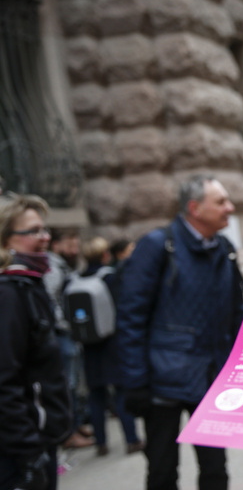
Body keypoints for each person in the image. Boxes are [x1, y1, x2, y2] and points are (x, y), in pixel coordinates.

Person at [116, 175, 243, 490]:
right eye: (221, 202)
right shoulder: (158, 245)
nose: (230, 208)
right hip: (162, 383)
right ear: (194, 208)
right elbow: (131, 317)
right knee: (162, 470)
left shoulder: (224, 248)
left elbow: (236, 315)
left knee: (215, 470)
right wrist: (135, 383)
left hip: (210, 378)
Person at [0, 194, 72, 490]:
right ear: (5, 239)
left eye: (45, 230)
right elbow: (5, 378)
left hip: (39, 438)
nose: (44, 238)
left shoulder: (29, 283)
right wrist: (28, 451)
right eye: (33, 231)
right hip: (22, 448)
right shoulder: (9, 292)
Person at [78, 237, 144, 457]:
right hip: (112, 343)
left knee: (96, 395)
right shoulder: (109, 278)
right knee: (121, 392)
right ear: (106, 255)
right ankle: (131, 439)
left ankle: (101, 443)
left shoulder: (75, 279)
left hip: (88, 346)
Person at [42, 227, 93, 450]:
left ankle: (75, 424)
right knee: (68, 384)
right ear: (56, 246)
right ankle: (69, 432)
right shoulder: (53, 268)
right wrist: (65, 323)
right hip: (61, 333)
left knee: (74, 382)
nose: (74, 250)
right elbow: (51, 300)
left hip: (66, 331)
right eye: (69, 245)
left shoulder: (60, 266)